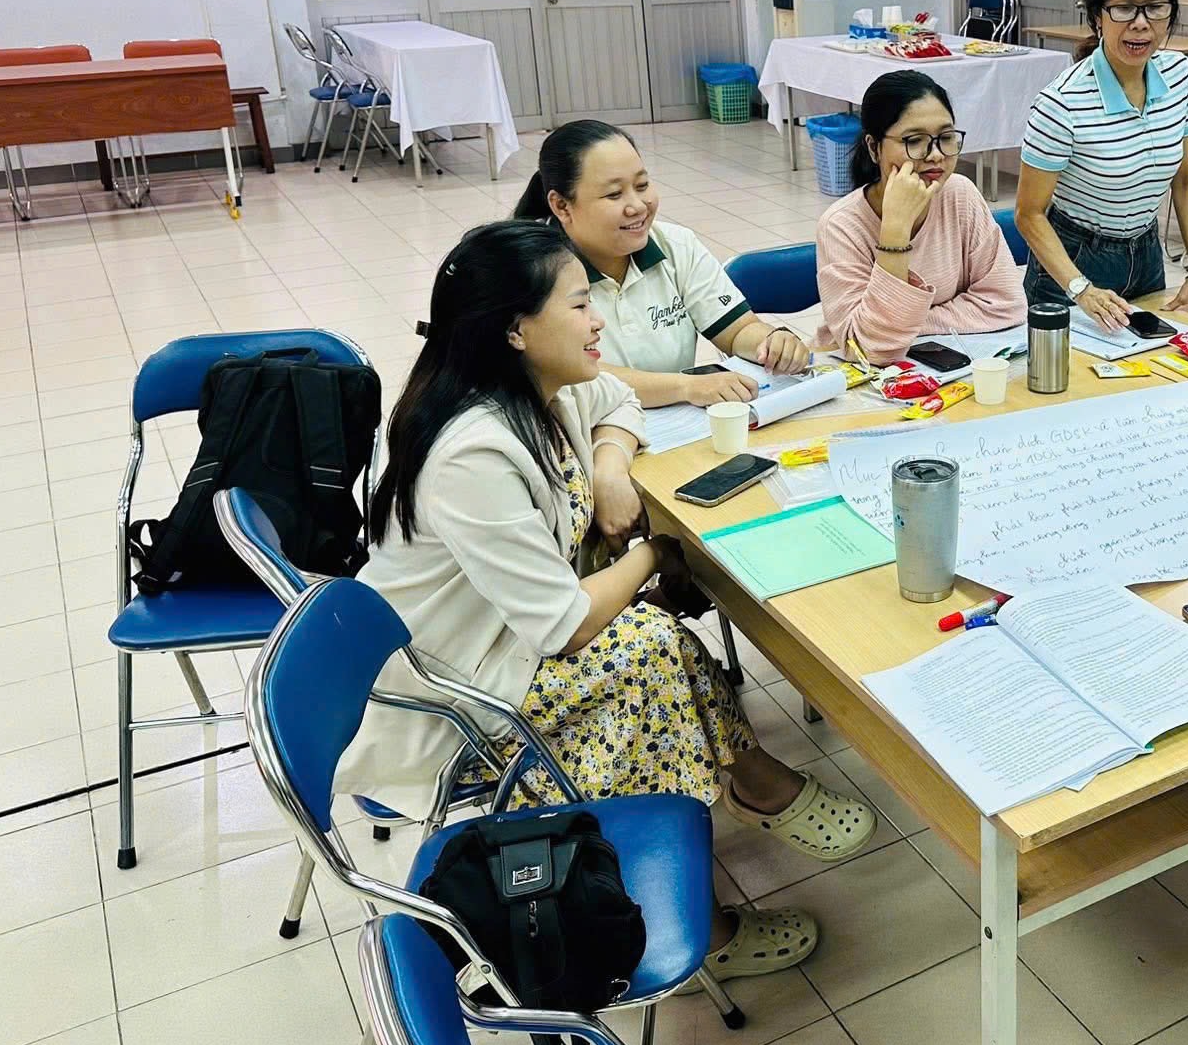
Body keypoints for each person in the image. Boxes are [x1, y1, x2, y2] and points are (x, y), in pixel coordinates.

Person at [340, 221, 875, 984]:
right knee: (645, 657)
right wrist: (653, 554)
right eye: (578, 305)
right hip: (456, 690)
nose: (598, 323)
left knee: (653, 637)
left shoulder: (538, 391)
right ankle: (694, 922)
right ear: (516, 330)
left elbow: (619, 399)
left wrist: (609, 465)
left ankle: (749, 783)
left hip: (508, 639)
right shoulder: (473, 453)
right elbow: (564, 625)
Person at [1015, 0, 1188, 332]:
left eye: (1155, 7)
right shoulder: (1062, 103)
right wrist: (1081, 289)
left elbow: (1187, 180)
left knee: (1153, 365)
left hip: (1146, 253)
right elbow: (1029, 214)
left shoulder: (1179, 75)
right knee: (1070, 371)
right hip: (1073, 263)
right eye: (1123, 8)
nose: (1140, 24)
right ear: (1096, 14)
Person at [513, 119, 811, 409]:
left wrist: (771, 342)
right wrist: (686, 387)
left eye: (642, 185)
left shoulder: (676, 246)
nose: (637, 206)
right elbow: (574, 379)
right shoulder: (531, 270)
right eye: (614, 194)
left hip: (675, 425)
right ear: (562, 205)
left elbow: (736, 331)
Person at [814, 69, 1026, 359]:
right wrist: (895, 230)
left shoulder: (959, 193)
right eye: (914, 141)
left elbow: (1007, 304)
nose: (936, 154)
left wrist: (906, 325)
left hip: (944, 360)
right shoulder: (841, 225)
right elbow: (870, 349)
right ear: (874, 148)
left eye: (946, 137)